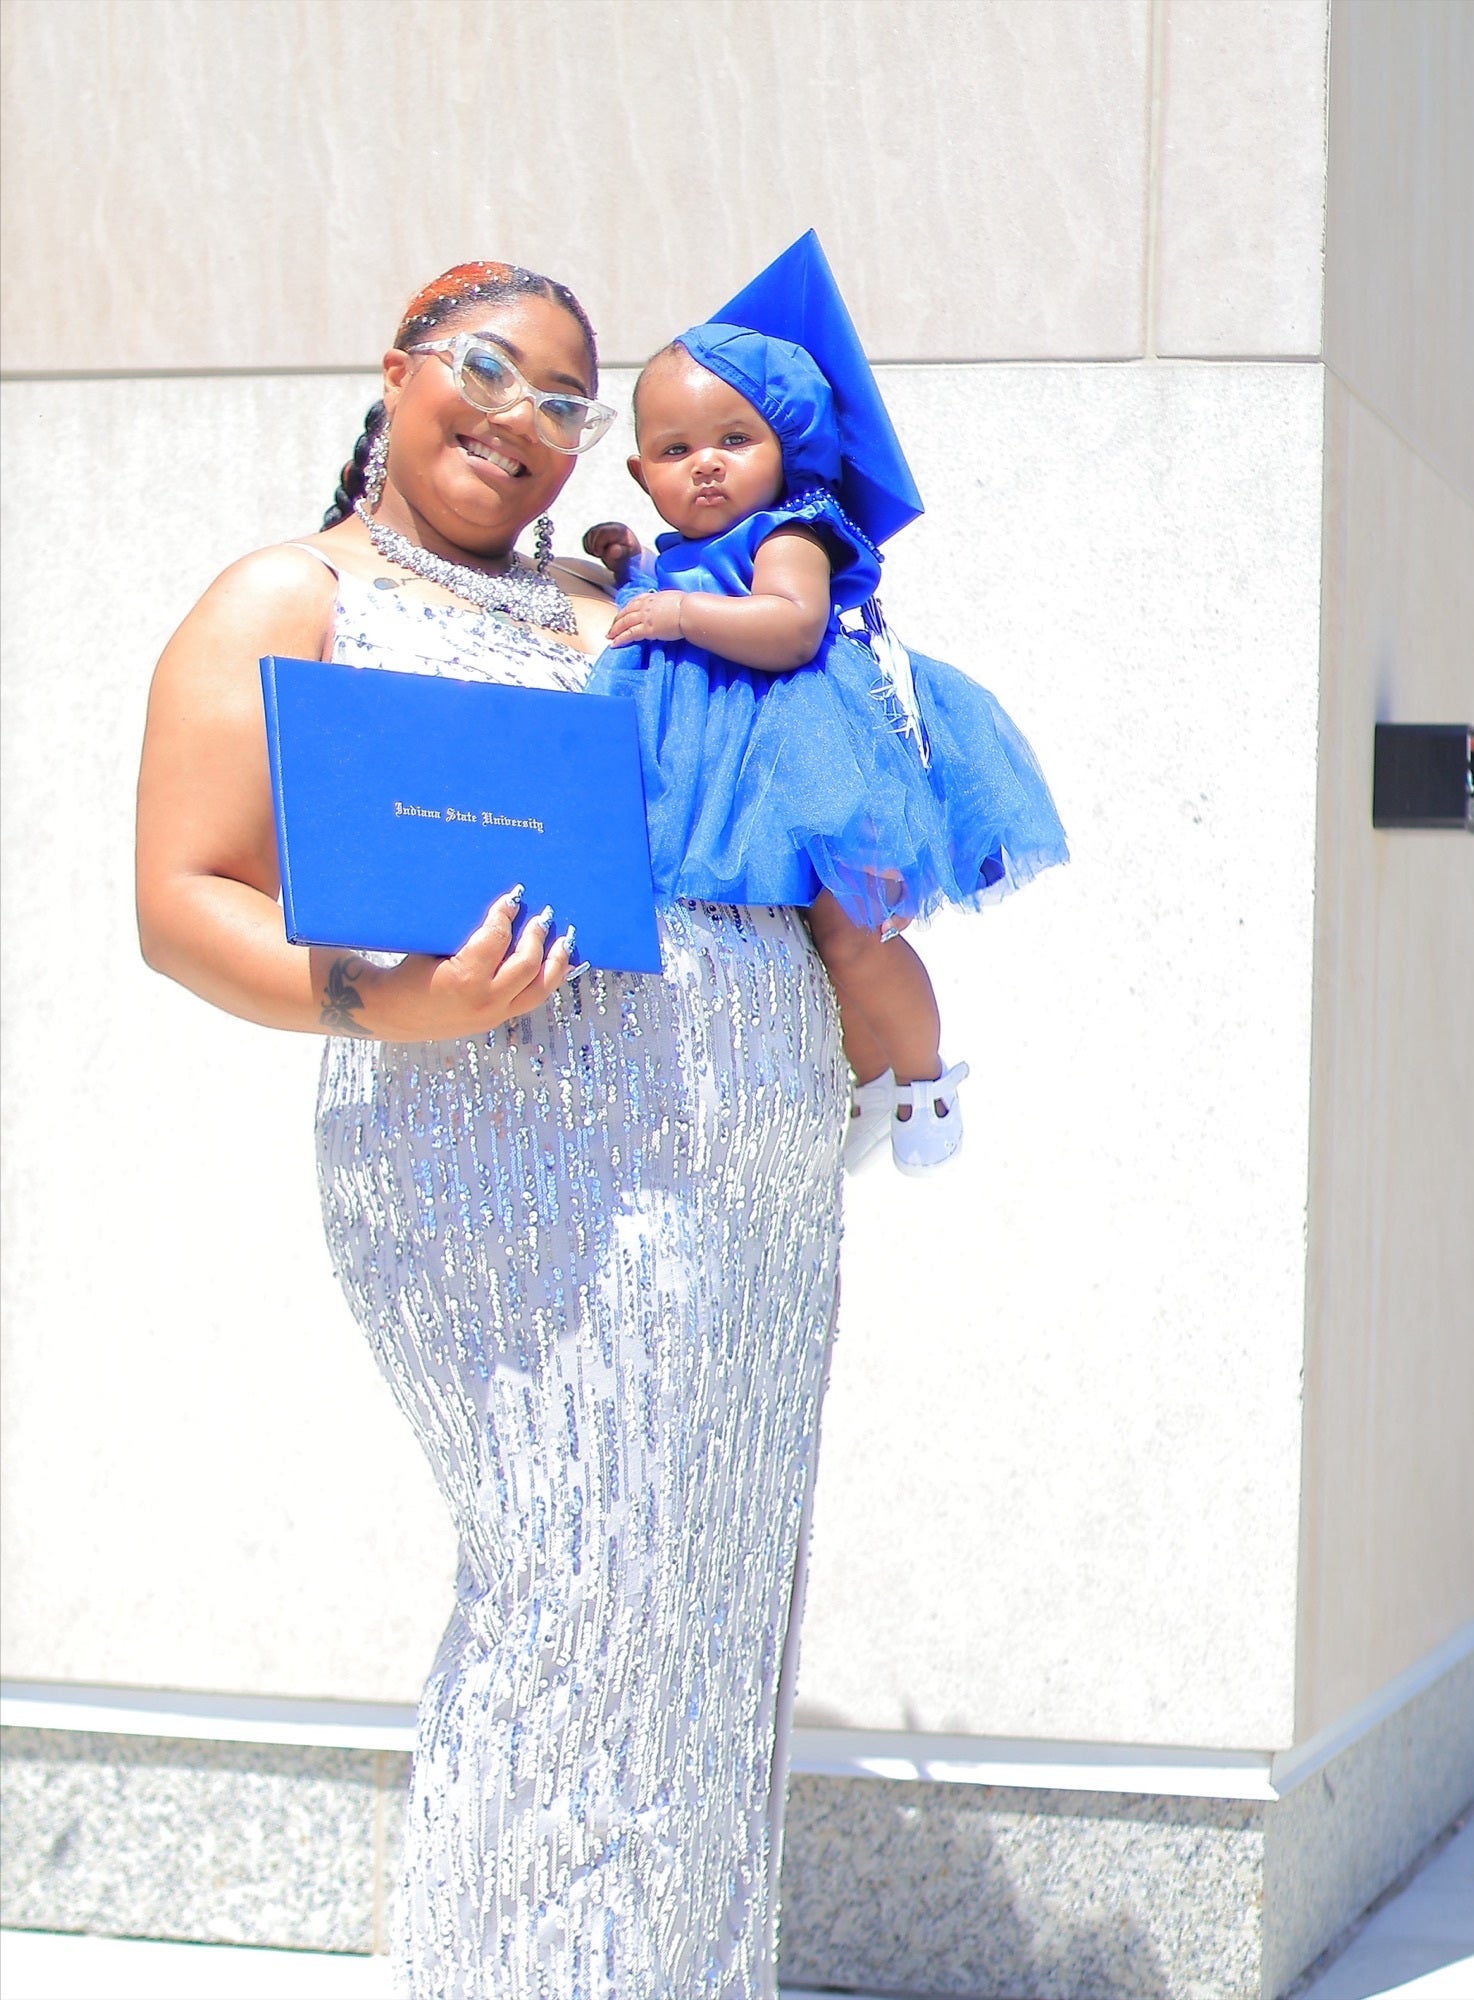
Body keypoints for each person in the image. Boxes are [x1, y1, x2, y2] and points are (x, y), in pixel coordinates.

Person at [135, 260, 847, 2000]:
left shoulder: (599, 598)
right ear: (395, 369)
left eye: (561, 406)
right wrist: (398, 1002)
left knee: (711, 1612)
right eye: (485, 370)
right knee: (573, 1597)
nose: (517, 422)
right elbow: (182, 899)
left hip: (750, 1159)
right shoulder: (285, 596)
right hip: (503, 1166)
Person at [582, 237, 1068, 1178]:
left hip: (815, 754)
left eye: (736, 440)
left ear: (788, 450)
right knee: (804, 938)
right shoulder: (681, 554)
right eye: (677, 451)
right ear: (642, 475)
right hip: (736, 772)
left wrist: (678, 608)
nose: (708, 467)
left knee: (855, 931)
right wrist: (629, 565)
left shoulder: (790, 534)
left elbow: (791, 628)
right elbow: (673, 603)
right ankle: (863, 1076)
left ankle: (923, 1076)